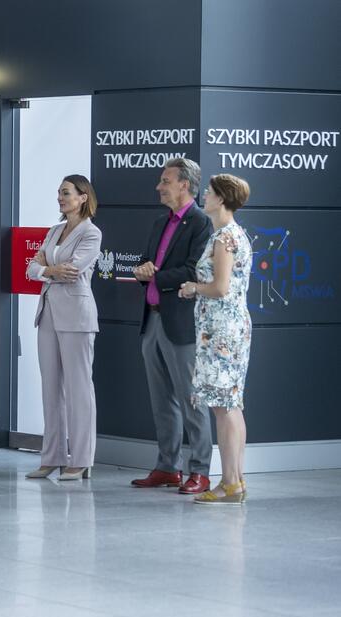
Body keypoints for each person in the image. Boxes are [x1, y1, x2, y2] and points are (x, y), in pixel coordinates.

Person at [131, 158, 213, 494]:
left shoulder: (201, 223)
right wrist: (141, 271)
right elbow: (146, 263)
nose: (158, 186)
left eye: (165, 180)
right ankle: (168, 467)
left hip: (181, 324)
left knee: (192, 399)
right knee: (161, 399)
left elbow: (196, 271)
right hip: (153, 319)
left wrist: (155, 275)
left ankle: (201, 471)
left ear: (184, 185)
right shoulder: (159, 223)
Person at [179, 174, 253, 505]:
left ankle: (230, 482)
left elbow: (220, 287)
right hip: (228, 328)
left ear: (221, 199)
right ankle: (235, 480)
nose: (203, 197)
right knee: (231, 405)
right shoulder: (235, 235)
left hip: (222, 330)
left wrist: (194, 287)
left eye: (208, 193)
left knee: (224, 408)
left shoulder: (224, 238)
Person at [25, 175, 102, 481]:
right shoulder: (55, 230)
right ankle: (52, 456)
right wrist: (49, 269)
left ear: (83, 197)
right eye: (59, 192)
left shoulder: (91, 233)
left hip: (77, 315)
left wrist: (47, 268)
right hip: (48, 314)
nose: (60, 197)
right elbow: (31, 268)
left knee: (79, 389)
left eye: (66, 192)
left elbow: (74, 271)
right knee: (50, 388)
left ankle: (81, 458)